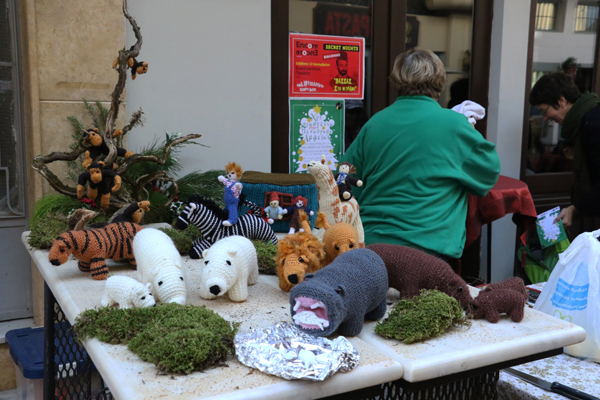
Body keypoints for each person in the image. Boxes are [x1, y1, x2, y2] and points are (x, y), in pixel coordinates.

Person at [342, 49, 500, 260]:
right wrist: (469, 132)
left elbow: (345, 180)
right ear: (440, 80)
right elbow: (488, 174)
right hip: (428, 249)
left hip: (372, 245)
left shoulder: (374, 124)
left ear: (396, 80)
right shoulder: (454, 125)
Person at [529, 72, 600, 228]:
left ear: (561, 101)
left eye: (543, 111)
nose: (545, 118)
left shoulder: (593, 124)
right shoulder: (584, 122)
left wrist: (573, 209)